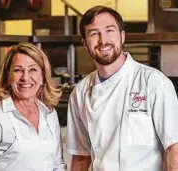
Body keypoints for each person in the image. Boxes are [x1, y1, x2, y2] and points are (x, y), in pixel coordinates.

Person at [66, 5, 178, 171]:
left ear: (122, 36)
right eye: (94, 33)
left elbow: (174, 149)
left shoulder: (154, 83)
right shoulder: (80, 92)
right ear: (84, 43)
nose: (103, 40)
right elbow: (81, 158)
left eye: (109, 30)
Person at [0, 43, 67, 171]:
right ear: (8, 77)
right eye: (18, 70)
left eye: (33, 70)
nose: (25, 77)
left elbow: (57, 165)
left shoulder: (49, 113)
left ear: (43, 76)